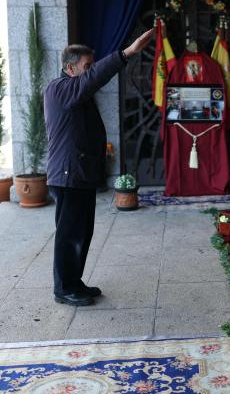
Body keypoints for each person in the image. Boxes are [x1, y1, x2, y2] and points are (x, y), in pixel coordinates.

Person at [44, 29, 154, 306]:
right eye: (86, 66)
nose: (90, 71)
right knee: (69, 234)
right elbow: (93, 80)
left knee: (82, 231)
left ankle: (74, 281)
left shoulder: (73, 89)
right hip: (68, 175)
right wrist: (126, 53)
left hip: (79, 173)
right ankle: (64, 289)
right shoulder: (59, 88)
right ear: (70, 68)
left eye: (92, 65)